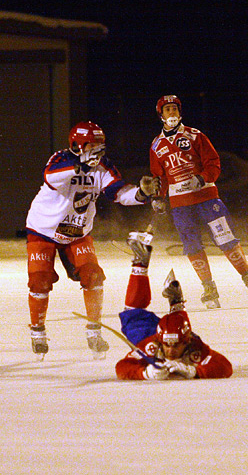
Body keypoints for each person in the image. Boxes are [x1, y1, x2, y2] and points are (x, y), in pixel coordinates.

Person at [25, 121, 159, 360]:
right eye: (92, 145)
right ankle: (38, 331)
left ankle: (94, 330)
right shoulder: (61, 159)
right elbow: (51, 177)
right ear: (77, 144)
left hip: (77, 233)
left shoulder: (103, 167)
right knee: (40, 280)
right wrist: (80, 164)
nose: (98, 150)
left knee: (93, 275)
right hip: (43, 229)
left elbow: (117, 193)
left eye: (100, 145)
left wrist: (141, 193)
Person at [149, 94, 248, 309]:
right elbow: (160, 177)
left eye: (174, 109)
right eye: (167, 110)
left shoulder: (195, 135)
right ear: (161, 115)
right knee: (191, 245)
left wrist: (202, 177)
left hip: (206, 198)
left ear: (180, 112)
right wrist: (158, 197)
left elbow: (213, 162)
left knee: (225, 238)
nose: (172, 113)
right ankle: (209, 287)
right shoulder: (156, 145)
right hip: (180, 204)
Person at [115, 230, 233, 380]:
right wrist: (145, 373)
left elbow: (225, 367)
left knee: (133, 313)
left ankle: (142, 264)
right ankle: (175, 302)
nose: (170, 351)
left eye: (176, 346)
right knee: (132, 314)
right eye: (167, 345)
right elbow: (123, 367)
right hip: (155, 334)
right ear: (160, 342)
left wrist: (194, 371)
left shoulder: (194, 348)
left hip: (177, 333)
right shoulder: (150, 346)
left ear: (187, 342)